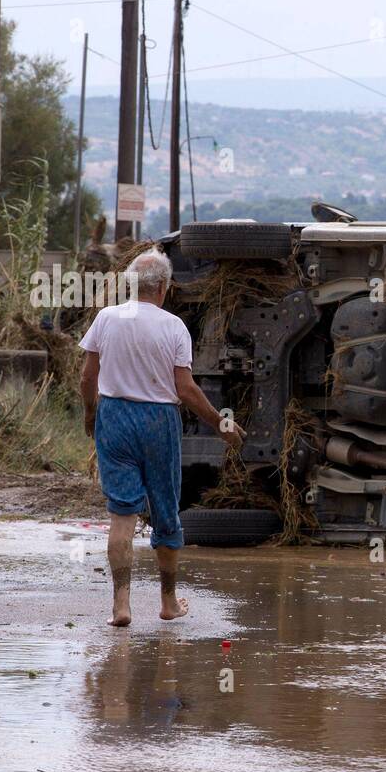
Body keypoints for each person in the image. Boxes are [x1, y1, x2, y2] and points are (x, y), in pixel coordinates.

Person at [78, 249, 244, 626]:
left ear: (131, 285)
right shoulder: (174, 327)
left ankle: (121, 606)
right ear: (165, 287)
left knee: (122, 512)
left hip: (114, 416)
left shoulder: (106, 318)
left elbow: (88, 378)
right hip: (158, 421)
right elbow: (184, 389)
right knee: (166, 510)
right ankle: (168, 602)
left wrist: (91, 414)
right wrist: (222, 425)